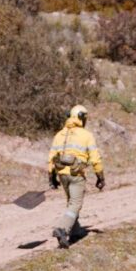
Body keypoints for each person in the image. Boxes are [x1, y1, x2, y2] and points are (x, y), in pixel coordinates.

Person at [47, 105, 104, 249]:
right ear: (82, 118)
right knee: (75, 204)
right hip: (76, 175)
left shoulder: (59, 135)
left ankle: (75, 231)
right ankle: (62, 228)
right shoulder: (86, 135)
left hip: (62, 174)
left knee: (70, 203)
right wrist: (100, 176)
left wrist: (51, 177)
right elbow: (95, 158)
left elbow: (51, 157)